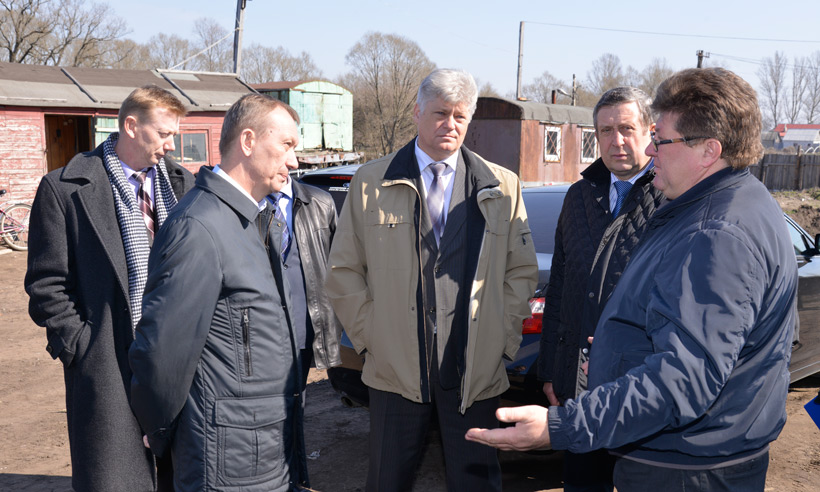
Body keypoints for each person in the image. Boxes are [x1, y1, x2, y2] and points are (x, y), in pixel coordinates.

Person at [466, 67, 798, 492]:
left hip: (685, 468)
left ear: (708, 150)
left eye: (660, 139)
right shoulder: (737, 202)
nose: (651, 150)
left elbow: (684, 378)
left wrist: (562, 426)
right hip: (693, 451)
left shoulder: (715, 234)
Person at [325, 68, 538, 492]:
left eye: (460, 116)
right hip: (394, 371)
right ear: (417, 112)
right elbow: (344, 271)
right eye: (440, 113)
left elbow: (521, 271)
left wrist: (501, 339)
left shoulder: (502, 186)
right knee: (387, 481)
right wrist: (372, 338)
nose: (450, 125)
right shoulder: (370, 182)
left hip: (474, 371)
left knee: (477, 483)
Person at [128, 93, 302, 492]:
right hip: (227, 458)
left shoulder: (254, 219)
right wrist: (160, 431)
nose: (294, 161)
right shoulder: (199, 227)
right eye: (286, 145)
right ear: (248, 142)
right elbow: (162, 352)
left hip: (264, 446)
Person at [25, 85, 193, 492]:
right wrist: (80, 347)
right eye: (164, 134)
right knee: (118, 477)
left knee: (183, 475)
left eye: (174, 135)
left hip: (178, 359)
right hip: (106, 364)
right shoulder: (64, 188)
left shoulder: (182, 185)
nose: (171, 145)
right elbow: (46, 284)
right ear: (131, 126)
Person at [536, 86, 666, 492]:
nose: (617, 141)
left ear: (650, 131)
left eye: (627, 128)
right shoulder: (579, 196)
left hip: (642, 388)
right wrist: (551, 370)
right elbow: (560, 287)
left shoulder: (672, 198)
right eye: (606, 131)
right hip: (579, 387)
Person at [256, 171, 342, 487]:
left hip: (305, 328)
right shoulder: (247, 202)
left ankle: (294, 480)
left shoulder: (320, 202)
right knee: (266, 413)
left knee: (295, 406)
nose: (287, 161)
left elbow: (340, 264)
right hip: (261, 333)